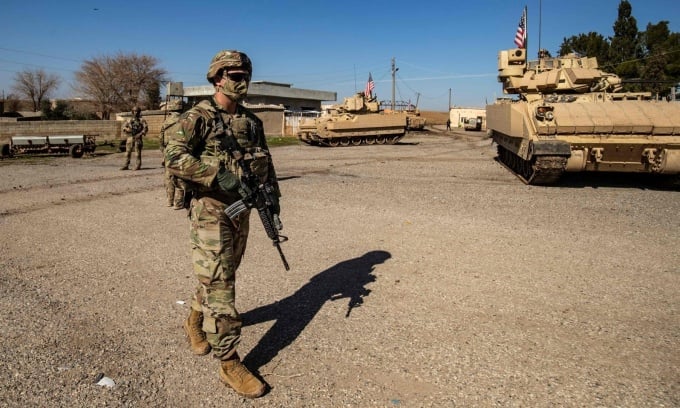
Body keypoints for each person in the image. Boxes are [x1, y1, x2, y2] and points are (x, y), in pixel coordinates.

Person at [164, 50, 281, 399]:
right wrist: (217, 175)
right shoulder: (197, 117)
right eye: (234, 74)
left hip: (241, 210)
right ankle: (229, 362)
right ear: (217, 77)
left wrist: (272, 198)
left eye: (246, 74)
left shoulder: (250, 121)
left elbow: (266, 162)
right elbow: (174, 157)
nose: (241, 80)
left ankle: (194, 320)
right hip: (210, 211)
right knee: (222, 286)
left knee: (221, 274)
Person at [159, 111, 186, 209]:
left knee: (168, 176)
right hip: (181, 150)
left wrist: (164, 151)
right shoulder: (185, 120)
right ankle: (178, 202)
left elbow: (161, 139)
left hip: (168, 150)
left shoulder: (166, 122)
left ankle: (169, 200)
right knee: (180, 175)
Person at [120, 106, 148, 170]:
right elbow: (123, 127)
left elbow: (145, 129)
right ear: (132, 112)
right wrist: (127, 130)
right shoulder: (129, 120)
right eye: (134, 111)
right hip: (130, 137)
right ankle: (126, 165)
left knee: (137, 153)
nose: (136, 112)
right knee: (127, 152)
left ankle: (137, 165)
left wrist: (140, 134)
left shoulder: (142, 120)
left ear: (139, 112)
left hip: (138, 138)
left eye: (137, 111)